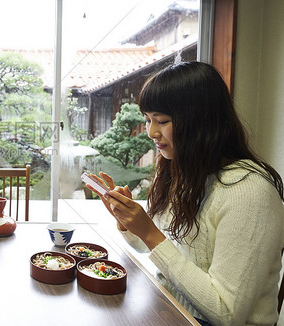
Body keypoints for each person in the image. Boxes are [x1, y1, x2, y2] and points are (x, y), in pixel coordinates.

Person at [88, 61, 284, 326]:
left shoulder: (249, 191)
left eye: (163, 121)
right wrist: (128, 221)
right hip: (171, 310)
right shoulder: (183, 170)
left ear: (202, 120)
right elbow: (152, 247)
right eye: (148, 120)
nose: (151, 132)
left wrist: (149, 233)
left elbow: (227, 313)